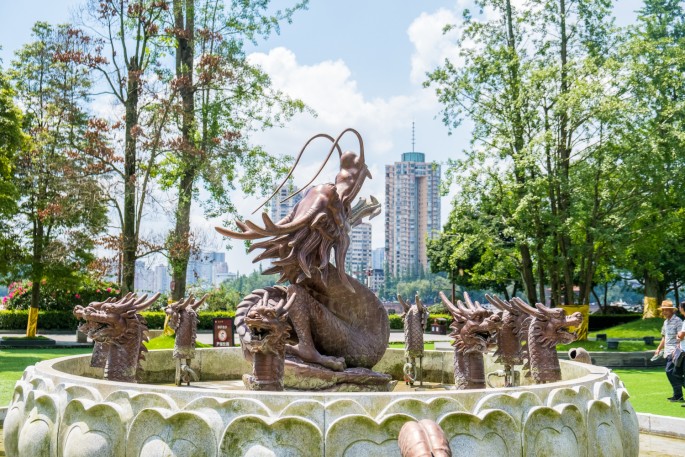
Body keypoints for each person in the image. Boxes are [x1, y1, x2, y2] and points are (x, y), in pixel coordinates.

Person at [654, 300, 683, 402]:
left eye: (666, 310)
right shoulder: (665, 322)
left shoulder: (678, 321)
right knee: (672, 373)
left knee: (670, 371)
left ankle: (678, 395)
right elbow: (664, 337)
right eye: (663, 310)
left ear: (672, 311)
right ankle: (678, 395)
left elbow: (681, 337)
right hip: (667, 352)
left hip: (675, 352)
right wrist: (658, 348)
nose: (664, 312)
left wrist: (677, 349)